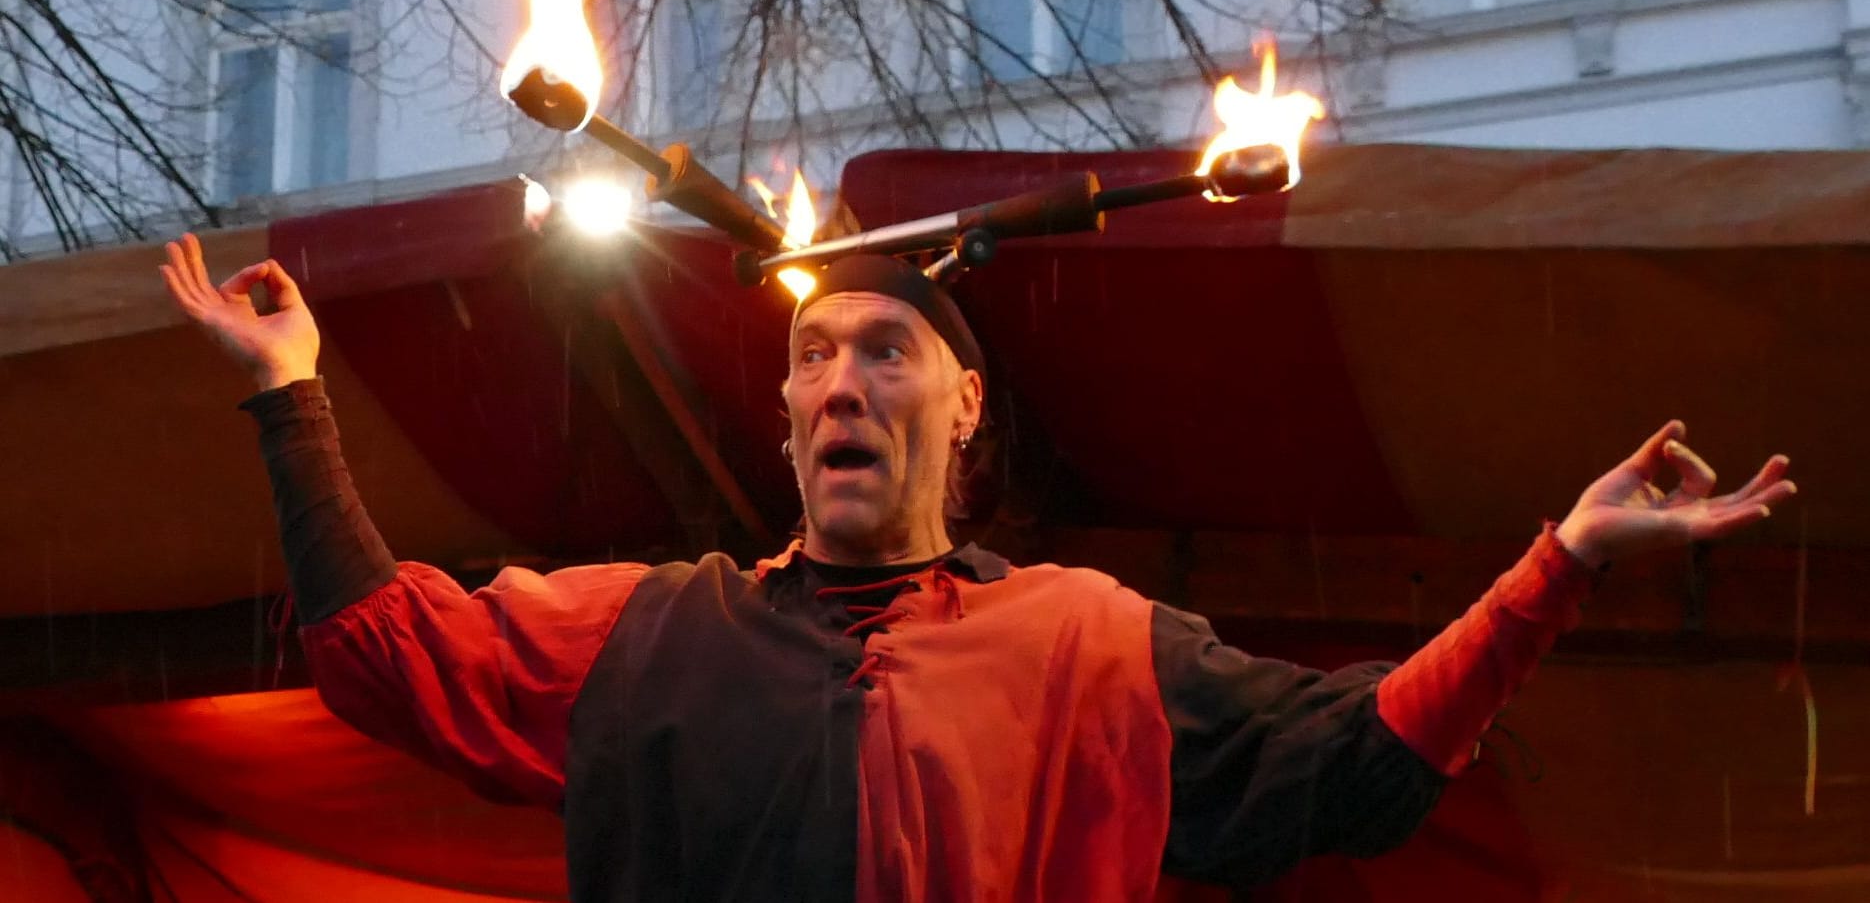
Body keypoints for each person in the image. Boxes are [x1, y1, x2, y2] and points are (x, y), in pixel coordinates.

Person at [160, 232, 1795, 902]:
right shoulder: (639, 629)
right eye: (810, 357)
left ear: (963, 406)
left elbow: (1354, 769)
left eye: (884, 350)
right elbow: (375, 649)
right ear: (790, 422)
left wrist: (1561, 558)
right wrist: (289, 391)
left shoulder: (1091, 639)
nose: (840, 380)